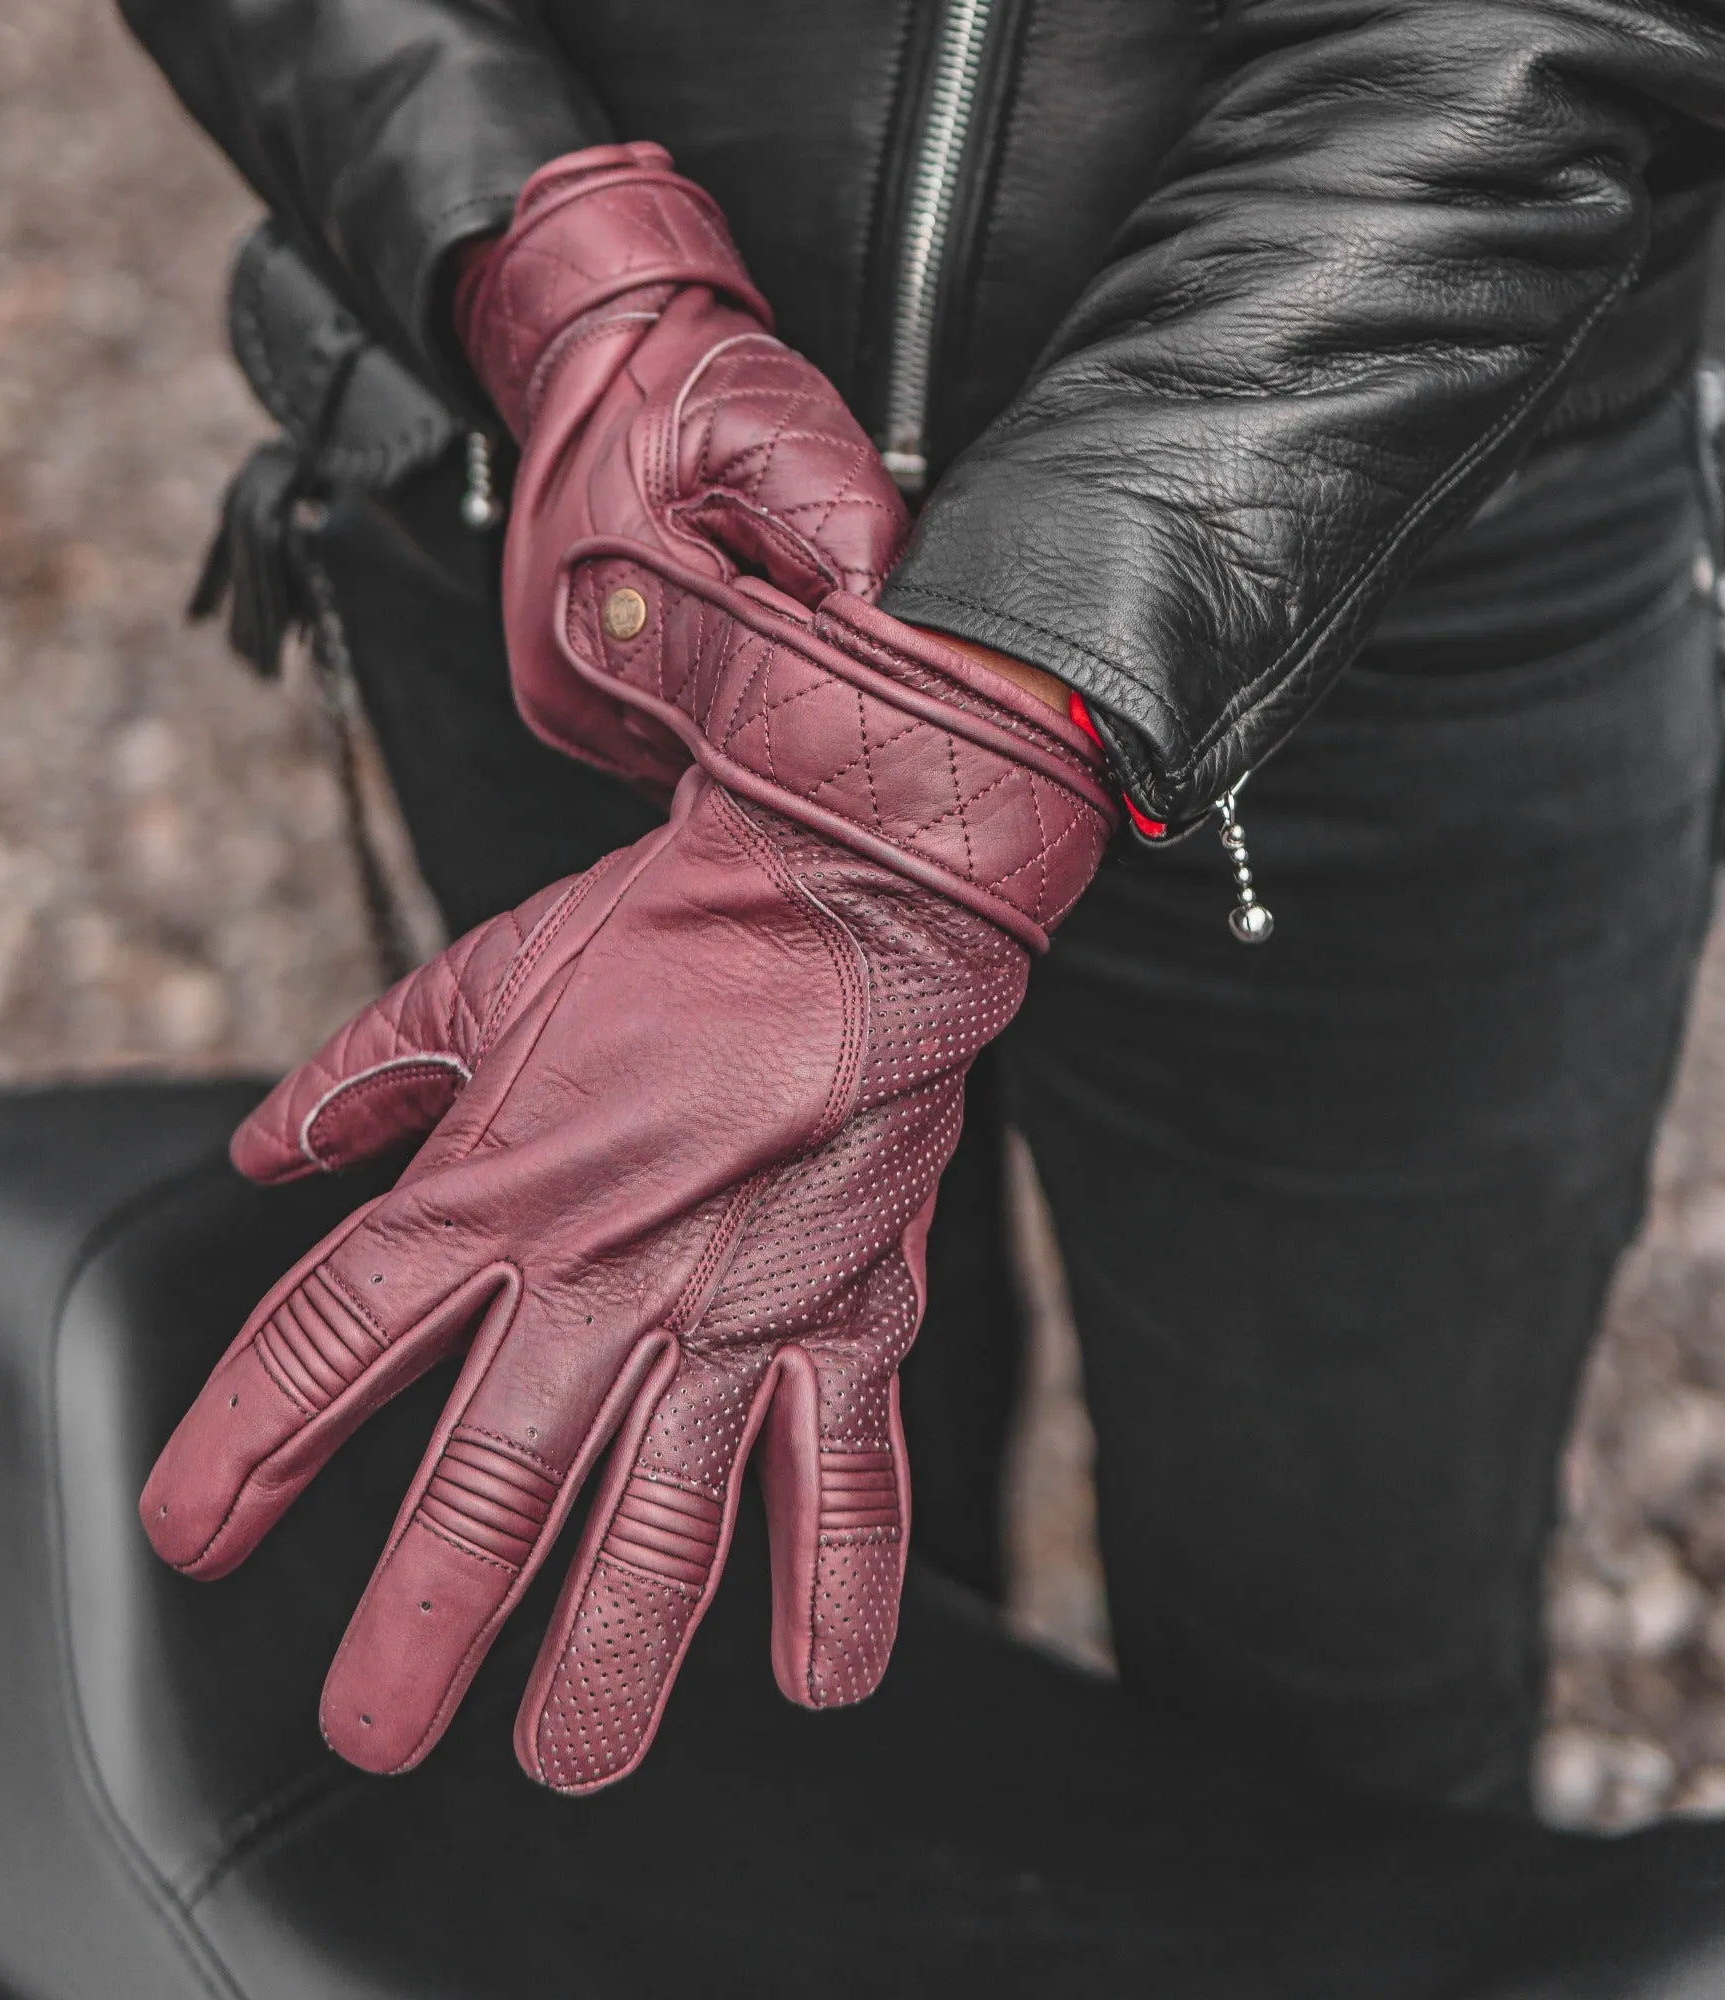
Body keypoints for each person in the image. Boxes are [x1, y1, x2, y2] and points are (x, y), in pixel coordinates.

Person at [115, 0, 1725, 1814]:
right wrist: (554, 267)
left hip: (1384, 576)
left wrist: (908, 810)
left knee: (1340, 1710)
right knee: (743, 1605)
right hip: (619, 550)